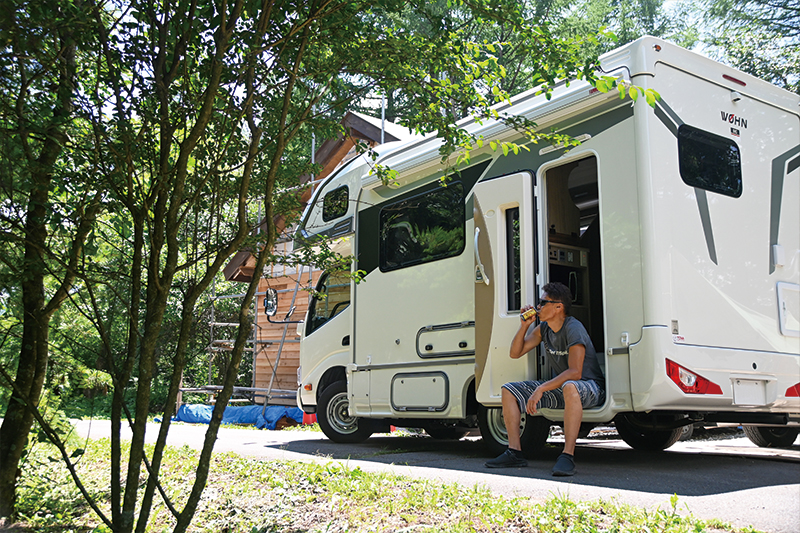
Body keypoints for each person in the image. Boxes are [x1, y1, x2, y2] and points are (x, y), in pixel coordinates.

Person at [484, 281, 605, 476]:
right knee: (508, 390)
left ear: (558, 307)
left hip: (590, 388)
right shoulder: (544, 329)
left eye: (543, 302)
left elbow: (576, 372)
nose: (538, 307)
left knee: (570, 386)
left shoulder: (573, 328)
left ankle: (567, 456)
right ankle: (515, 451)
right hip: (564, 387)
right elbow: (515, 353)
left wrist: (541, 389)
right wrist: (524, 326)